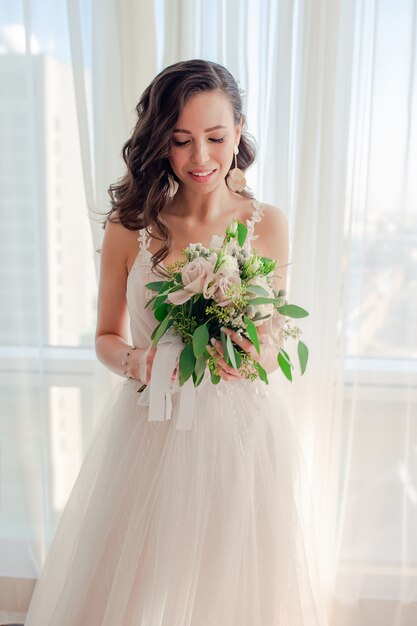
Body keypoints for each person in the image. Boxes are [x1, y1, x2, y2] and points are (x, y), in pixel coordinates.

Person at [24, 59, 328, 625]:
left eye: (215, 137)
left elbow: (273, 335)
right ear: (160, 142)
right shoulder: (131, 226)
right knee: (122, 596)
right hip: (150, 430)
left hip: (243, 437)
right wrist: (137, 360)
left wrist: (254, 352)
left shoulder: (268, 224)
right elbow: (105, 337)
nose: (200, 158)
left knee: (235, 599)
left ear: (239, 131)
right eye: (181, 140)